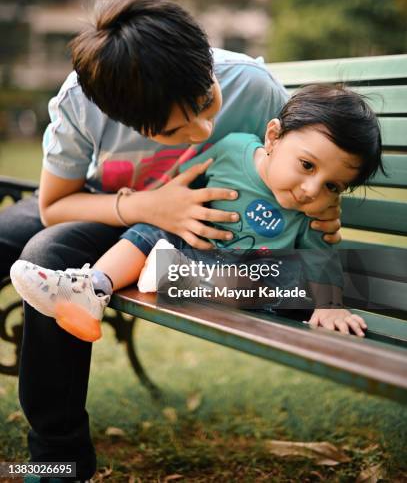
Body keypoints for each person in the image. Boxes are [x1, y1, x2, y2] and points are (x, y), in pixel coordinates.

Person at [0, 0, 342, 481]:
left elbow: (309, 162)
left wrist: (324, 205)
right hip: (101, 202)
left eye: (206, 104)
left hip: (187, 234)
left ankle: (60, 460)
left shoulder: (253, 87)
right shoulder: (82, 101)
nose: (203, 128)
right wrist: (146, 205)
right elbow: (55, 205)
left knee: (48, 258)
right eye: (173, 129)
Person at [11, 83, 383, 342]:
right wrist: (150, 197)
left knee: (276, 278)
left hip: (251, 278)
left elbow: (320, 257)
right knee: (151, 228)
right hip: (198, 251)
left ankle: (169, 274)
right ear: (273, 137)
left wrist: (330, 305)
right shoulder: (234, 148)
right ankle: (91, 288)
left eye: (333, 185)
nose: (311, 190)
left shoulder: (317, 211)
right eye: (306, 165)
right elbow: (183, 176)